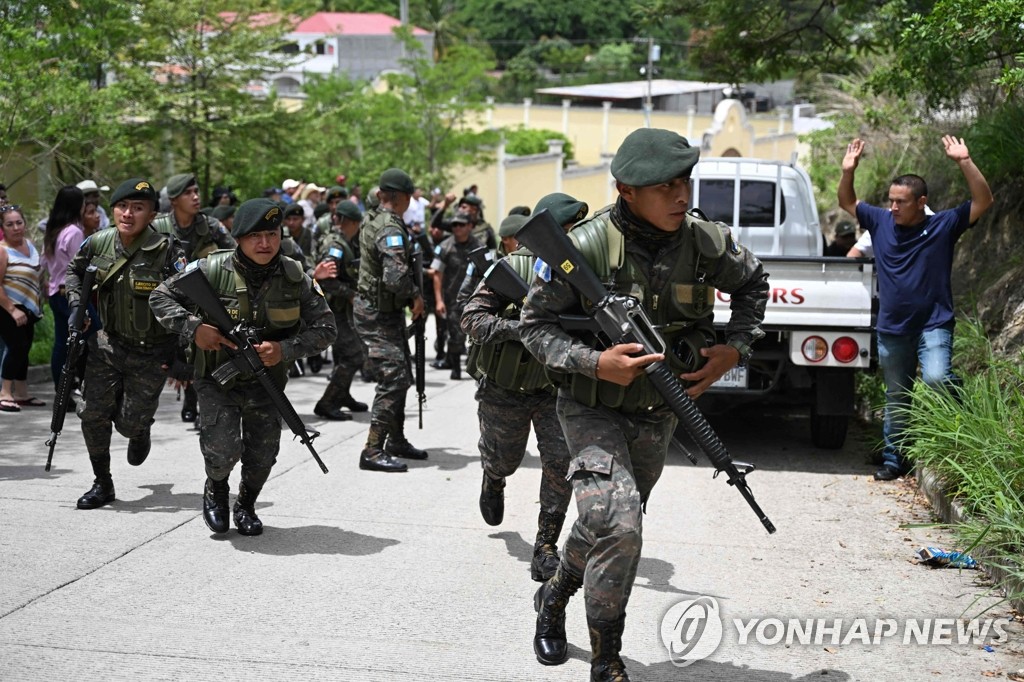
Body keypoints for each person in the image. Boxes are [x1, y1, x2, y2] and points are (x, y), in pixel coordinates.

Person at [519, 128, 769, 680]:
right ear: (626, 190)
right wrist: (595, 363)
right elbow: (533, 328)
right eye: (665, 187)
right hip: (590, 406)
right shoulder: (581, 247)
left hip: (658, 411)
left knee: (607, 526)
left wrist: (735, 349)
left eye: (685, 183)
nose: (681, 196)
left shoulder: (703, 241)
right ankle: (607, 659)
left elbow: (754, 285)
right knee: (619, 522)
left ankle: (554, 595)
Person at [150, 198, 336, 535]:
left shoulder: (296, 277)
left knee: (263, 455)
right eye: (255, 236)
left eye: (272, 234)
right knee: (222, 451)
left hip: (267, 383)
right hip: (215, 379)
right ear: (238, 238)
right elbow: (159, 297)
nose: (264, 244)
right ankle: (217, 487)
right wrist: (195, 329)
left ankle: (246, 504)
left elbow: (326, 329)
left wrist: (284, 349)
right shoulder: (210, 270)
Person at [838, 136, 993, 481]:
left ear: (921, 202)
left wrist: (964, 161)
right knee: (897, 396)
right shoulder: (879, 222)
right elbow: (847, 201)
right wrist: (848, 170)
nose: (893, 207)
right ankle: (896, 460)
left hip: (934, 324)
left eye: (901, 202)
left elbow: (984, 200)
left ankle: (960, 412)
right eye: (891, 201)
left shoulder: (943, 225)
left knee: (937, 377)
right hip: (893, 328)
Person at [461, 207, 580, 584]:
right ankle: (493, 479)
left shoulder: (581, 273)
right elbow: (472, 319)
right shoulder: (513, 269)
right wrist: (523, 328)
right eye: (570, 229)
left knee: (561, 465)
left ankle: (546, 547)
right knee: (505, 459)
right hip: (505, 388)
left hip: (552, 390)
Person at [65, 178, 188, 510]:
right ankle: (102, 484)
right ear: (113, 209)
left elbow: (188, 301)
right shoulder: (98, 243)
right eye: (122, 207)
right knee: (93, 415)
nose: (128, 214)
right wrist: (78, 306)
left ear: (151, 214)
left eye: (138, 208)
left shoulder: (169, 250)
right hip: (108, 345)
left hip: (152, 352)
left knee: (129, 423)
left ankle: (140, 428)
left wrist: (183, 354)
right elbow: (73, 272)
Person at [353, 169, 429, 472]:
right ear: (403, 197)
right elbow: (395, 276)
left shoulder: (374, 218)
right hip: (378, 314)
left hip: (382, 311)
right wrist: (416, 296)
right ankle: (372, 449)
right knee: (394, 378)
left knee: (401, 375)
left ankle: (395, 439)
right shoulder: (389, 227)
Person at [154, 173, 236, 424]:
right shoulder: (157, 228)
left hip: (204, 301)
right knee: (179, 355)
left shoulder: (210, 226)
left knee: (204, 353)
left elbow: (234, 254)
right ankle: (189, 402)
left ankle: (203, 409)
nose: (196, 197)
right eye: (189, 193)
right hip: (169, 300)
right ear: (174, 200)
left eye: (197, 191)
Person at [312, 200, 368, 421]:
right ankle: (327, 403)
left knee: (348, 354)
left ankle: (342, 394)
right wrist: (351, 294)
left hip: (341, 310)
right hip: (331, 310)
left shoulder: (347, 242)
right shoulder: (335, 246)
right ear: (349, 221)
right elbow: (326, 280)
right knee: (354, 355)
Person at [40, 185, 88, 390]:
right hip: (71, 294)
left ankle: (62, 390)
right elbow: (80, 265)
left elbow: (43, 263)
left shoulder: (53, 231)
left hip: (55, 292)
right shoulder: (74, 232)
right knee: (92, 335)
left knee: (61, 343)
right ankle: (80, 384)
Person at [0, 205, 44, 412]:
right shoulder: (2, 250)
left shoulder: (30, 244)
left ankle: (21, 393)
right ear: (3, 227)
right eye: (10, 224)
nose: (16, 228)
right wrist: (12, 309)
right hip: (7, 307)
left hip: (28, 307)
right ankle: (5, 393)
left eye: (19, 222)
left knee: (24, 349)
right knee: (16, 347)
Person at [428, 211, 481, 380]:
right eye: (454, 225)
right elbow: (437, 274)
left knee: (478, 335)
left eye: (461, 225)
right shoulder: (445, 246)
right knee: (455, 335)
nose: (457, 228)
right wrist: (439, 301)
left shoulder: (478, 246)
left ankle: (477, 367)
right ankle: (456, 367)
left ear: (470, 226)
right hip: (452, 300)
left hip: (476, 298)